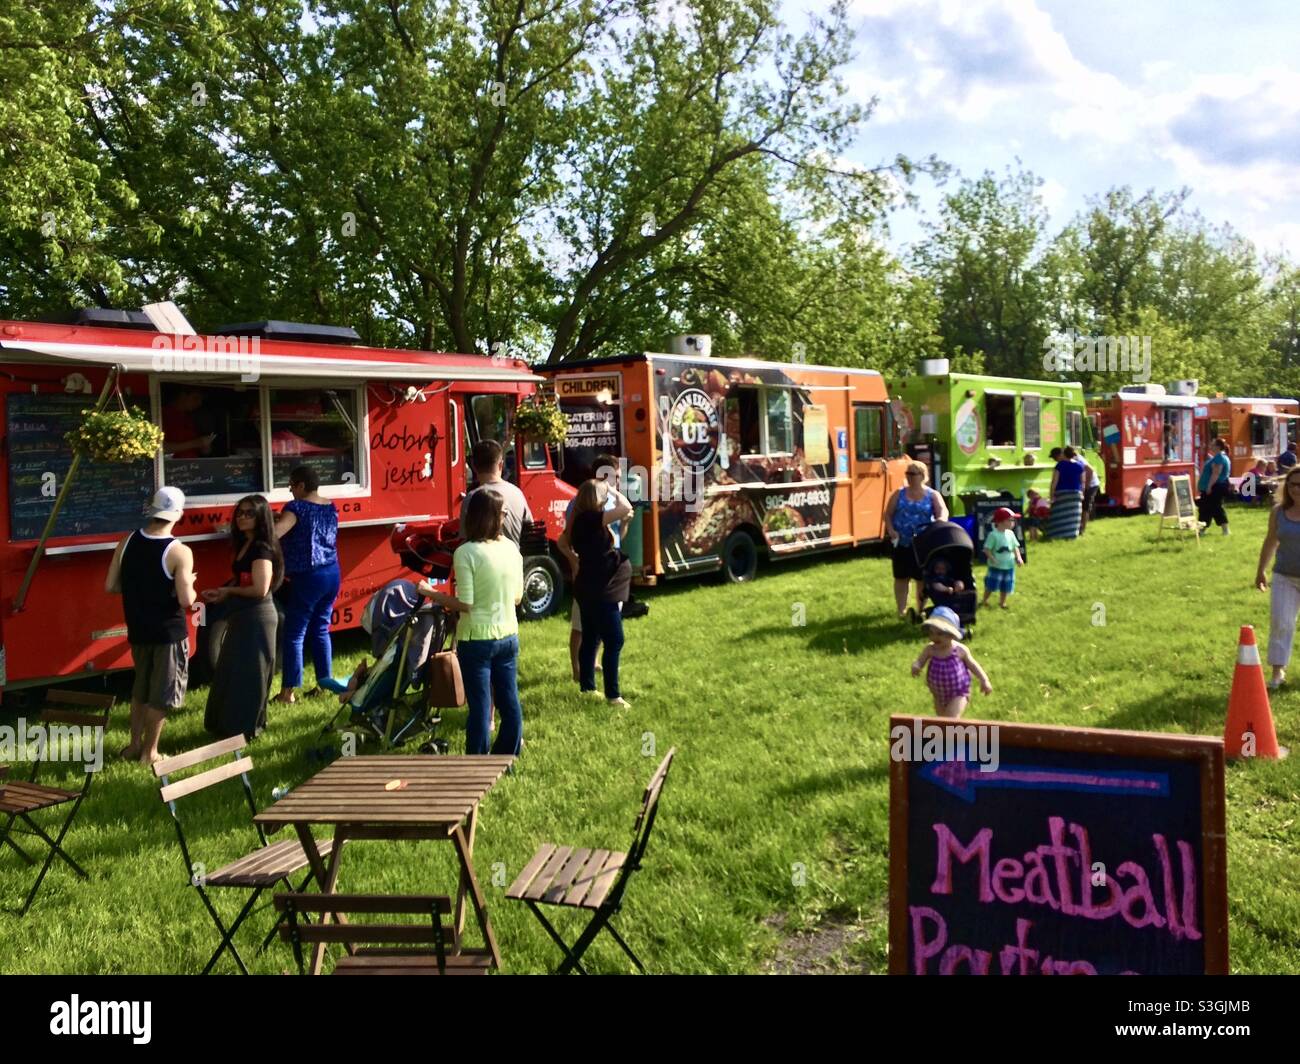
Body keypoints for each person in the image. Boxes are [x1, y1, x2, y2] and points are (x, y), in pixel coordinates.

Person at [420, 491, 524, 755]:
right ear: (493, 517)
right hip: (508, 635)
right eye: (502, 513)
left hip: (476, 639)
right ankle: (507, 755)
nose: (504, 518)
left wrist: (430, 593)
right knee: (509, 701)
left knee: (480, 704)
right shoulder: (511, 549)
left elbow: (465, 604)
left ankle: (477, 763)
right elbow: (517, 597)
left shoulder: (466, 552)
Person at [105, 486, 196, 764]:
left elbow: (111, 586)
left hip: (138, 629)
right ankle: (150, 752)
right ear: (178, 513)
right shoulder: (179, 551)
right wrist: (190, 583)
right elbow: (186, 600)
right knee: (162, 694)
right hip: (168, 633)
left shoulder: (127, 541)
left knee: (140, 689)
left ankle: (133, 746)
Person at [202, 495, 283, 740]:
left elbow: (260, 589)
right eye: (240, 513)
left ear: (261, 518)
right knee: (232, 669)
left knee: (251, 673)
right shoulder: (245, 544)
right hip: (242, 613)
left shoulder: (262, 548)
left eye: (249, 513)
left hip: (259, 615)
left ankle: (246, 728)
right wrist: (223, 592)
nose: (242, 518)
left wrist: (229, 592)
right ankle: (226, 726)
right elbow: (243, 581)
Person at [274, 464, 346, 701]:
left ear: (301, 485)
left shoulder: (296, 507)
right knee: (321, 628)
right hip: (332, 571)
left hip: (308, 575)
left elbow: (277, 533)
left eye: (291, 486)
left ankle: (288, 692)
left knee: (295, 632)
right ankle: (325, 683)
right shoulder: (330, 505)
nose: (290, 491)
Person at [558, 454, 632, 681]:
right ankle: (577, 671)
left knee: (602, 624)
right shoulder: (580, 503)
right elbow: (565, 539)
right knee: (582, 626)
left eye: (619, 477)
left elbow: (618, 537)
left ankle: (594, 662)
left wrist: (626, 522)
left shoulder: (610, 504)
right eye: (613, 477)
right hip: (590, 574)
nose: (617, 482)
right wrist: (573, 561)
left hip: (610, 575)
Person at [569, 479, 633, 706]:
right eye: (602, 494)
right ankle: (613, 694)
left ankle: (588, 687)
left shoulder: (583, 521)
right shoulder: (589, 519)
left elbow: (610, 543)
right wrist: (614, 490)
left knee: (591, 637)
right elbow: (625, 507)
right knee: (614, 639)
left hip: (592, 586)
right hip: (600, 589)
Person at [884, 461, 948, 620]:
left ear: (922, 475)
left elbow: (943, 512)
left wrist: (939, 522)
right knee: (901, 577)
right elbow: (888, 514)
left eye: (913, 474)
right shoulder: (899, 494)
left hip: (923, 544)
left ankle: (921, 610)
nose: (909, 477)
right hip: (902, 542)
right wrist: (891, 530)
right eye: (907, 473)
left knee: (921, 578)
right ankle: (901, 611)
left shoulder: (932, 495)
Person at [1256, 467, 1300, 690]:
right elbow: (1271, 540)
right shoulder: (1278, 512)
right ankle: (1277, 672)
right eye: (1292, 484)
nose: (1296, 489)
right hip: (1284, 575)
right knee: (1281, 622)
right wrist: (1261, 570)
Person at [910, 606, 992, 718]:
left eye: (940, 634)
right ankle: (949, 735)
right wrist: (916, 666)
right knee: (942, 719)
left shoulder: (959, 650)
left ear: (952, 634)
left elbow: (973, 665)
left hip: (959, 692)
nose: (935, 637)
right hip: (938, 693)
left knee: (951, 718)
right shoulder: (930, 649)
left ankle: (954, 733)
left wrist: (984, 680)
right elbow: (920, 661)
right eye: (932, 633)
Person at [468, 439, 533, 546]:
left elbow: (465, 539)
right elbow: (530, 529)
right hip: (514, 560)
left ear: (473, 466)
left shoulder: (471, 498)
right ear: (501, 464)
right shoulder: (517, 494)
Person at [980, 507, 1024, 609]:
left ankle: (1002, 603)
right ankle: (984, 600)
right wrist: (992, 559)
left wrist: (1018, 557)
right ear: (1001, 521)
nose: (1013, 522)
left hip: (1009, 566)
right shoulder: (993, 535)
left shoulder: (1011, 534)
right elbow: (986, 549)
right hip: (996, 566)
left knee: (1006, 585)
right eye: (1011, 520)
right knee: (991, 585)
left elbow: (1015, 547)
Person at [161, 387, 217, 459]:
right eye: (195, 398)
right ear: (182, 395)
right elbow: (161, 448)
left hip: (192, 465)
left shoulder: (188, 418)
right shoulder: (162, 414)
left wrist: (205, 446)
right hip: (172, 466)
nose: (199, 403)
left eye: (201, 400)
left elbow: (202, 450)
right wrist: (196, 443)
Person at [1045, 446, 1085, 539]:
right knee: (1073, 516)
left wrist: (1051, 496)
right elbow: (1082, 482)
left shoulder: (1060, 465)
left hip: (1062, 493)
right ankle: (1072, 534)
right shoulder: (1080, 465)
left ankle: (1056, 534)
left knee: (1059, 515)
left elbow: (1054, 482)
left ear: (1064, 454)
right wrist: (1082, 494)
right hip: (1076, 493)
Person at [1197, 438, 1232, 535]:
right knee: (1208, 508)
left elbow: (1216, 473)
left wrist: (1209, 486)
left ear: (1218, 447)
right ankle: (1202, 529)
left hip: (1215, 487)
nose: (1210, 446)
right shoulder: (1219, 457)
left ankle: (1224, 529)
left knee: (1212, 508)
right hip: (1216, 486)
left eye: (1212, 445)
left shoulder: (1219, 458)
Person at [1077, 453, 1100, 534]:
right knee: (1082, 506)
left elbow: (1090, 470)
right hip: (1086, 484)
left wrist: (1086, 487)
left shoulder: (1078, 459)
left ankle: (1082, 529)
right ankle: (1079, 527)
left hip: (1092, 484)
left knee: (1085, 507)